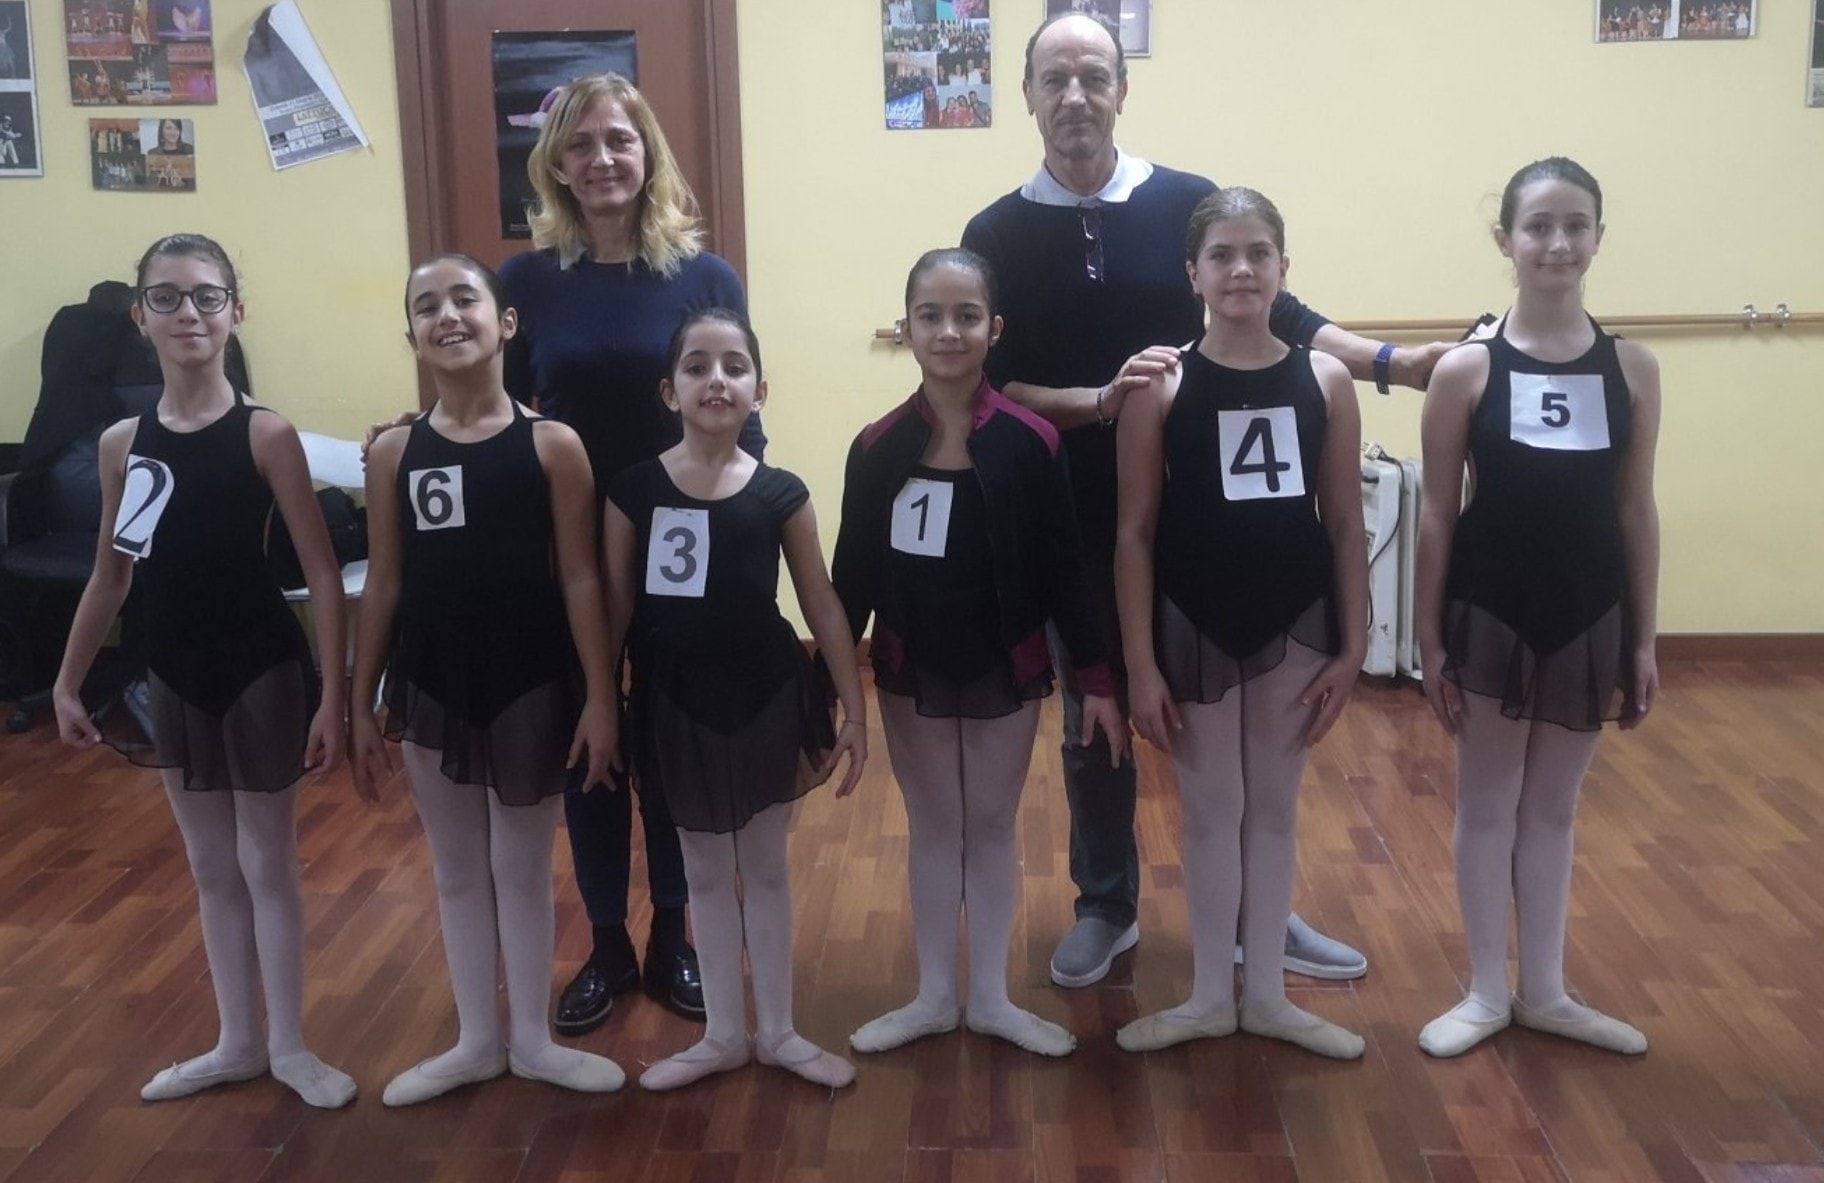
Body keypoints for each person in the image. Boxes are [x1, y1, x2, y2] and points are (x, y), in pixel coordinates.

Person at [961, 13, 1448, 991]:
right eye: (1055, 78)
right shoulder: (995, 233)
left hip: (1212, 518)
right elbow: (988, 383)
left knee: (1248, 726)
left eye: (1094, 75)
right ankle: (1107, 905)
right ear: (1026, 97)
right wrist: (1101, 400)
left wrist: (1392, 362)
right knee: (1099, 707)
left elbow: (1283, 316)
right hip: (1073, 516)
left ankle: (1255, 914)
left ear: (1123, 90)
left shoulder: (1186, 202)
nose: (1075, 96)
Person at [365, 74, 761, 1035]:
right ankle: (608, 939)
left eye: (619, 140)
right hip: (564, 542)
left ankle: (674, 933)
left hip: (677, 539)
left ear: (648, 152)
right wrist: (409, 431)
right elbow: (485, 392)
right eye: (581, 145)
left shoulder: (705, 275)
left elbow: (741, 406)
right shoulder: (529, 280)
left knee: (666, 735)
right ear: (556, 166)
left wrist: (754, 532)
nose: (602, 159)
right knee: (589, 739)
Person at [51, 234, 357, 1109]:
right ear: (140, 315)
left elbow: (321, 572)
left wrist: (334, 694)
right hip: (173, 669)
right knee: (209, 864)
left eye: (206, 296)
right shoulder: (122, 443)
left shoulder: (267, 433)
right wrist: (69, 682)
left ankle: (291, 1044)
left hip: (260, 667)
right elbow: (112, 575)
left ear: (235, 312)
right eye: (168, 296)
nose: (188, 311)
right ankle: (237, 1041)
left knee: (268, 861)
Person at [834, 249, 1125, 1059]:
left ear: (994, 329)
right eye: (930, 315)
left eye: (966, 316)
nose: (948, 331)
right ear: (906, 327)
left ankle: (991, 997)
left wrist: (1097, 680)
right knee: (933, 826)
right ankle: (934, 995)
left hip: (1008, 663)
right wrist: (833, 689)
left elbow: (1067, 572)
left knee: (992, 825)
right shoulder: (878, 447)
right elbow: (850, 578)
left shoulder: (1033, 442)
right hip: (912, 666)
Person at [351, 255, 626, 1105]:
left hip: (530, 685)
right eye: (426, 305)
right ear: (411, 335)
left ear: (505, 323)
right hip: (432, 682)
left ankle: (533, 1040)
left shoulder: (553, 445)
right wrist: (360, 699)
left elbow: (581, 577)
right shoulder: (393, 450)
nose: (447, 315)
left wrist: (600, 698)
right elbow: (384, 581)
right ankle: (476, 1039)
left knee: (522, 864)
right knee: (457, 869)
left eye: (464, 298)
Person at [1414, 158, 1660, 1059]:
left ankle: (1547, 989)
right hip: (1492, 611)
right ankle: (1486, 989)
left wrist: (1643, 636)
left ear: (1598, 237)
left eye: (1575, 226)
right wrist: (1429, 638)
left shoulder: (1632, 366)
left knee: (1554, 808)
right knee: (1488, 803)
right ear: (1506, 240)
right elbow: (1436, 512)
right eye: (1539, 226)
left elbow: (1635, 509)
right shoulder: (1466, 370)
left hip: (1590, 612)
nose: (1558, 243)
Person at [1114, 189, 1369, 1059]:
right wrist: (1140, 663)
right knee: (1211, 807)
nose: (1241, 269)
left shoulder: (1325, 379)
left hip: (1295, 620)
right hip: (1194, 621)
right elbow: (1134, 531)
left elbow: (1345, 522)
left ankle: (1266, 993)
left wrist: (1355, 644)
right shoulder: (1161, 384)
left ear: (1284, 268)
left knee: (1275, 807)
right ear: (1193, 273)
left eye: (1259, 253)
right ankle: (1204, 996)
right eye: (1222, 255)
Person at [603, 308, 867, 1091]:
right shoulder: (634, 490)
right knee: (703, 868)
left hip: (766, 697)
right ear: (669, 390)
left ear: (760, 390)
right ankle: (722, 1034)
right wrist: (598, 700)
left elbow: (821, 603)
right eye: (696, 366)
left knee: (766, 865)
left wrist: (856, 708)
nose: (715, 379)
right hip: (673, 702)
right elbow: (614, 607)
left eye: (733, 366)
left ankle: (778, 1031)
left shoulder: (781, 492)